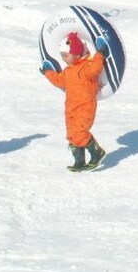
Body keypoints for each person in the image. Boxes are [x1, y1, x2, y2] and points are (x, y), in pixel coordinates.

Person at [40, 31, 110, 172]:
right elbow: (60, 81)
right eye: (62, 56)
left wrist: (100, 54)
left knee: (80, 132)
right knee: (71, 134)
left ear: (77, 53)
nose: (64, 58)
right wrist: (48, 73)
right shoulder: (68, 71)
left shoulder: (86, 68)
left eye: (66, 55)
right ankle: (79, 161)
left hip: (85, 107)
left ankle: (97, 152)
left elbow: (96, 69)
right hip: (71, 108)